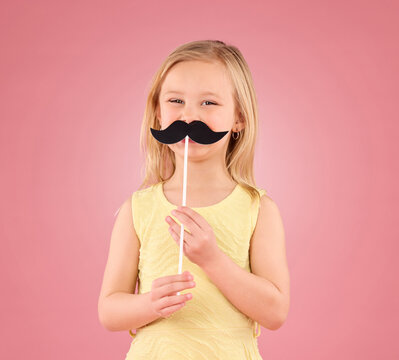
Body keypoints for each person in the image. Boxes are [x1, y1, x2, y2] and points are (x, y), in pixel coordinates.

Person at [98, 40, 290, 360]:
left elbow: (275, 312)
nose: (189, 116)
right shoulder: (138, 209)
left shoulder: (259, 210)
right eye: (176, 100)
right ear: (159, 115)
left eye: (208, 103)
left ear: (239, 119)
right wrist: (149, 304)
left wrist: (212, 260)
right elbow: (109, 310)